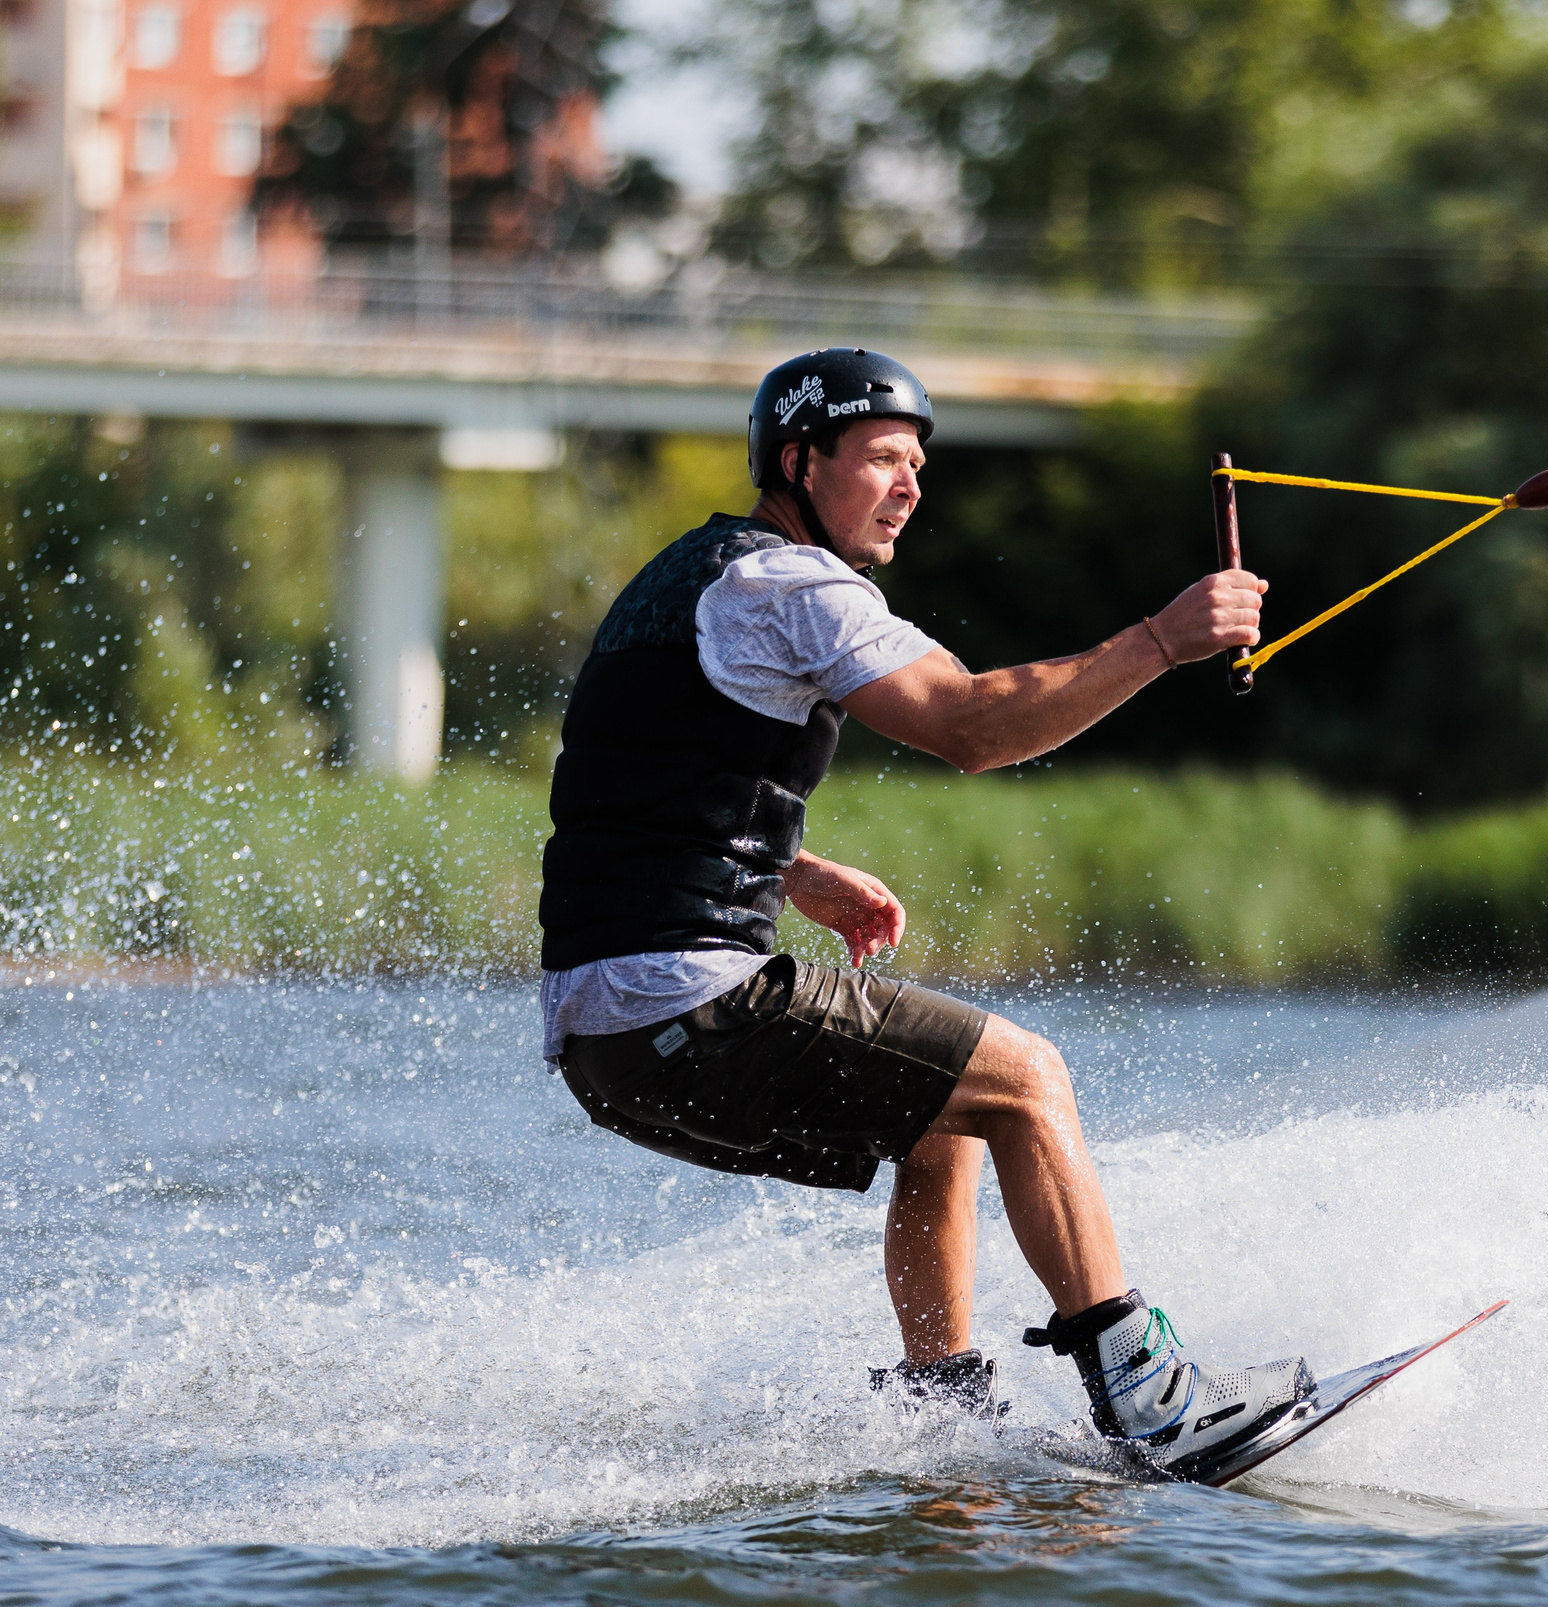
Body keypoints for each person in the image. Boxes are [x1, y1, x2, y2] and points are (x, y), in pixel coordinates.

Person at [538, 346, 1310, 1478]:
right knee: (1028, 1075)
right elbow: (971, 725)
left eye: (918, 464)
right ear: (799, 461)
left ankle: (938, 1415)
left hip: (607, 1039)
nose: (910, 485)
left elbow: (637, 777)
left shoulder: (686, 575)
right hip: (685, 1008)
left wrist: (794, 871)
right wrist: (1159, 641)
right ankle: (1150, 1395)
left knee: (942, 1116)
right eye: (884, 459)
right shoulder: (793, 587)